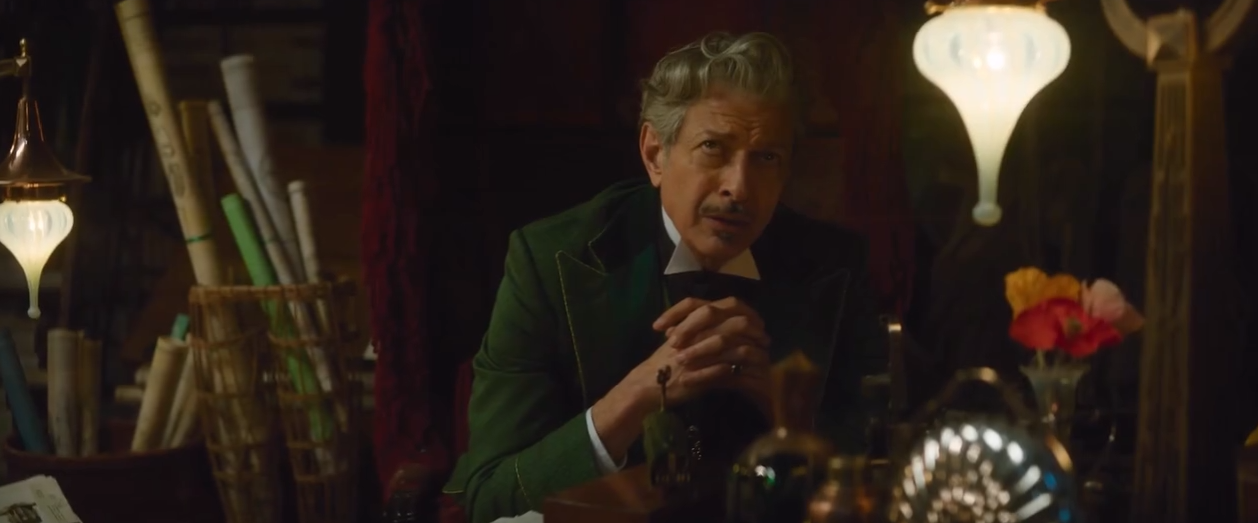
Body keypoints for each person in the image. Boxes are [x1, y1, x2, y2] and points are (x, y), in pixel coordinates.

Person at [443, 31, 887, 523]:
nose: (739, 188)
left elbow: (884, 467)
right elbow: (492, 496)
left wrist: (780, 402)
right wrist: (636, 396)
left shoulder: (834, 266)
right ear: (655, 154)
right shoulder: (549, 261)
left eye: (766, 158)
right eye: (713, 147)